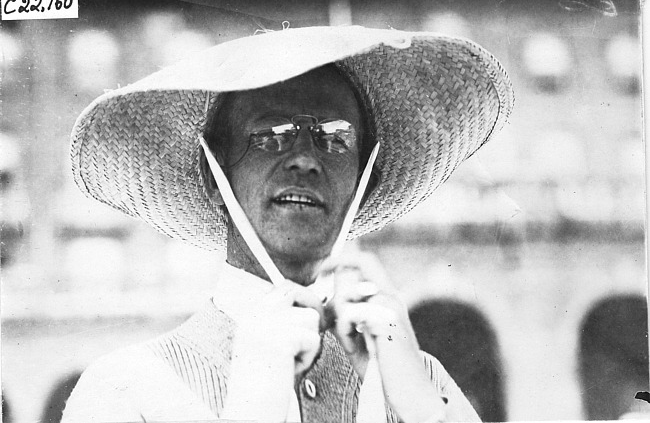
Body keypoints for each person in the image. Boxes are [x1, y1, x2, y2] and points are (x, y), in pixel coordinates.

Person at [62, 26, 513, 422]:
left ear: (366, 174)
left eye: (335, 137)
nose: (303, 159)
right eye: (270, 136)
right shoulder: (126, 387)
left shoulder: (418, 378)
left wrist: (423, 410)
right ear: (212, 172)